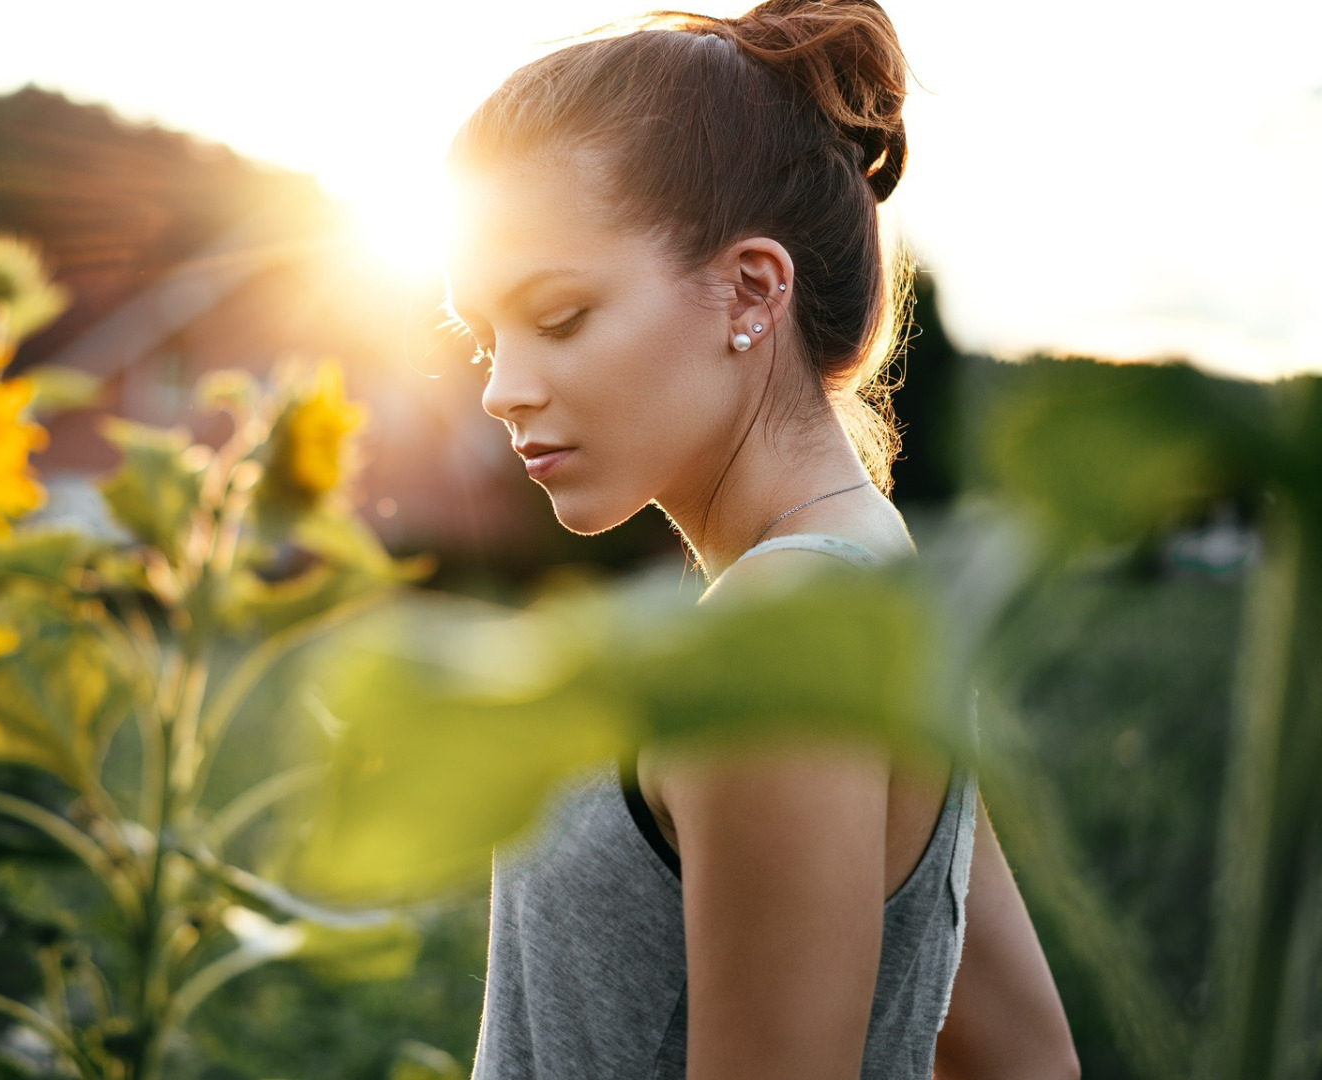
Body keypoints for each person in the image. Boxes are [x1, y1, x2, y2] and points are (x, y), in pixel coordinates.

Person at [439, 2, 1080, 1077]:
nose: (503, 389)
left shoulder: (778, 644)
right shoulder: (863, 596)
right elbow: (1027, 1059)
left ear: (751, 289)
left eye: (555, 318)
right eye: (481, 337)